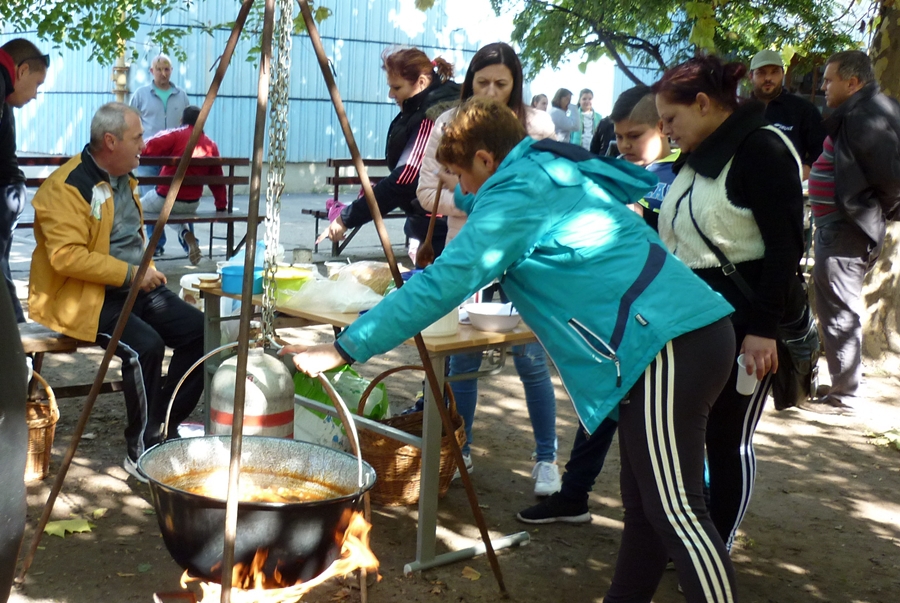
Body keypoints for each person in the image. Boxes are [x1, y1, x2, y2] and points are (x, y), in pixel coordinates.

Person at [283, 97, 739, 602]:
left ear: (484, 158)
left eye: (459, 173)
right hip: (669, 342)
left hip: (665, 343)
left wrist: (345, 348)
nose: (458, 189)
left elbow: (444, 282)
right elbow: (483, 227)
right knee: (648, 514)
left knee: (678, 515)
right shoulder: (538, 171)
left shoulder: (520, 191)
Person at [654, 55, 805, 551]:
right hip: (690, 327)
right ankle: (694, 539)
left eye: (671, 119)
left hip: (745, 328)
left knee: (726, 438)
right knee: (691, 437)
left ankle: (715, 549)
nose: (666, 130)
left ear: (702, 103)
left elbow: (786, 249)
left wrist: (762, 329)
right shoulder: (696, 157)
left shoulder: (763, 149)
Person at [516, 84, 681, 524]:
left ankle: (684, 516)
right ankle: (574, 496)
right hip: (617, 314)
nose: (625, 145)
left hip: (667, 315)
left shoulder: (679, 174)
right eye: (620, 136)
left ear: (664, 127)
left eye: (636, 135)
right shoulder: (610, 171)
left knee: (669, 430)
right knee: (600, 408)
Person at [28, 102, 205, 483]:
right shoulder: (67, 186)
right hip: (84, 297)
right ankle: (140, 452)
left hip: (131, 285)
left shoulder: (126, 176)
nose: (145, 144)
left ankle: (162, 427)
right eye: (138, 137)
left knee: (200, 332)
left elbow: (129, 238)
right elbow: (65, 256)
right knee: (146, 347)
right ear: (110, 141)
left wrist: (144, 271)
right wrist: (132, 273)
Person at [417, 42, 560, 496]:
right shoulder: (447, 124)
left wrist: (466, 195)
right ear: (468, 83)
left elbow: (544, 196)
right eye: (482, 83)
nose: (492, 91)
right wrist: (464, 198)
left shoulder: (535, 126)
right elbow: (426, 192)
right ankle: (464, 446)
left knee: (530, 357)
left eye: (502, 83)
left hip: (528, 260)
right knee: (462, 358)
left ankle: (546, 457)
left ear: (516, 84)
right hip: (469, 255)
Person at [803, 50, 900, 415]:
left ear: (852, 82)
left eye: (829, 80)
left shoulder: (864, 116)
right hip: (845, 226)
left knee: (840, 309)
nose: (824, 86)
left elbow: (891, 179)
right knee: (836, 306)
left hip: (846, 229)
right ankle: (844, 384)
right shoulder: (869, 108)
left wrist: (873, 213)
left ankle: (844, 395)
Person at [318, 47, 459, 258]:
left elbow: (405, 178)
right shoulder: (421, 108)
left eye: (396, 87)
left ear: (421, 82)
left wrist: (346, 217)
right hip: (429, 219)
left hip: (440, 226)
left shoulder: (434, 115)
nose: (391, 94)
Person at [140, 105, 227, 266]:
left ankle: (134, 251)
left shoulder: (177, 135)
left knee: (134, 208)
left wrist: (136, 148)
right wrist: (221, 205)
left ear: (181, 120)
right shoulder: (211, 145)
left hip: (165, 197)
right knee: (167, 212)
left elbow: (149, 146)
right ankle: (185, 232)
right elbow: (218, 180)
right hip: (191, 204)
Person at [1, 38, 48, 323]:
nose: (34, 95)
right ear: (21, 71)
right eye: (37, 85)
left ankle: (17, 342)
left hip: (5, 188)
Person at [130, 54, 190, 256]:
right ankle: (156, 244)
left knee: (175, 198)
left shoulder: (180, 95)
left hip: (173, 158)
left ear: (171, 71)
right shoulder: (141, 94)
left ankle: (187, 242)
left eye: (167, 69)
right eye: (159, 69)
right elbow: (129, 121)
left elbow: (188, 125)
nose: (163, 73)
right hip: (147, 156)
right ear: (151, 71)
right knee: (149, 200)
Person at [749, 49, 826, 180]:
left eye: (774, 72)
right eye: (761, 73)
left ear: (783, 74)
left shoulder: (803, 109)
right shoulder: (739, 110)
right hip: (742, 192)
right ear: (751, 76)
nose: (768, 78)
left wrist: (798, 177)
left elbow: (822, 151)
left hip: (786, 192)